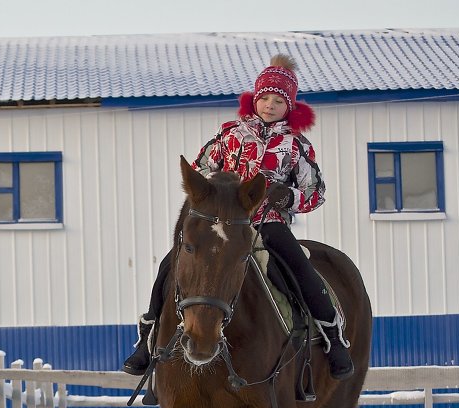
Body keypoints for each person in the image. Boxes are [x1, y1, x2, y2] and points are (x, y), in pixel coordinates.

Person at [122, 54, 353, 381]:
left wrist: (288, 196)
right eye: (265, 98)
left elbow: (316, 191)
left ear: (290, 107)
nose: (270, 106)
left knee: (300, 270)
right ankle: (147, 341)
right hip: (225, 224)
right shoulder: (230, 133)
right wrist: (219, 191)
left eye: (278, 101)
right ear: (254, 100)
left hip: (268, 222)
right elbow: (202, 167)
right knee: (170, 265)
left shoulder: (294, 145)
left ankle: (333, 339)